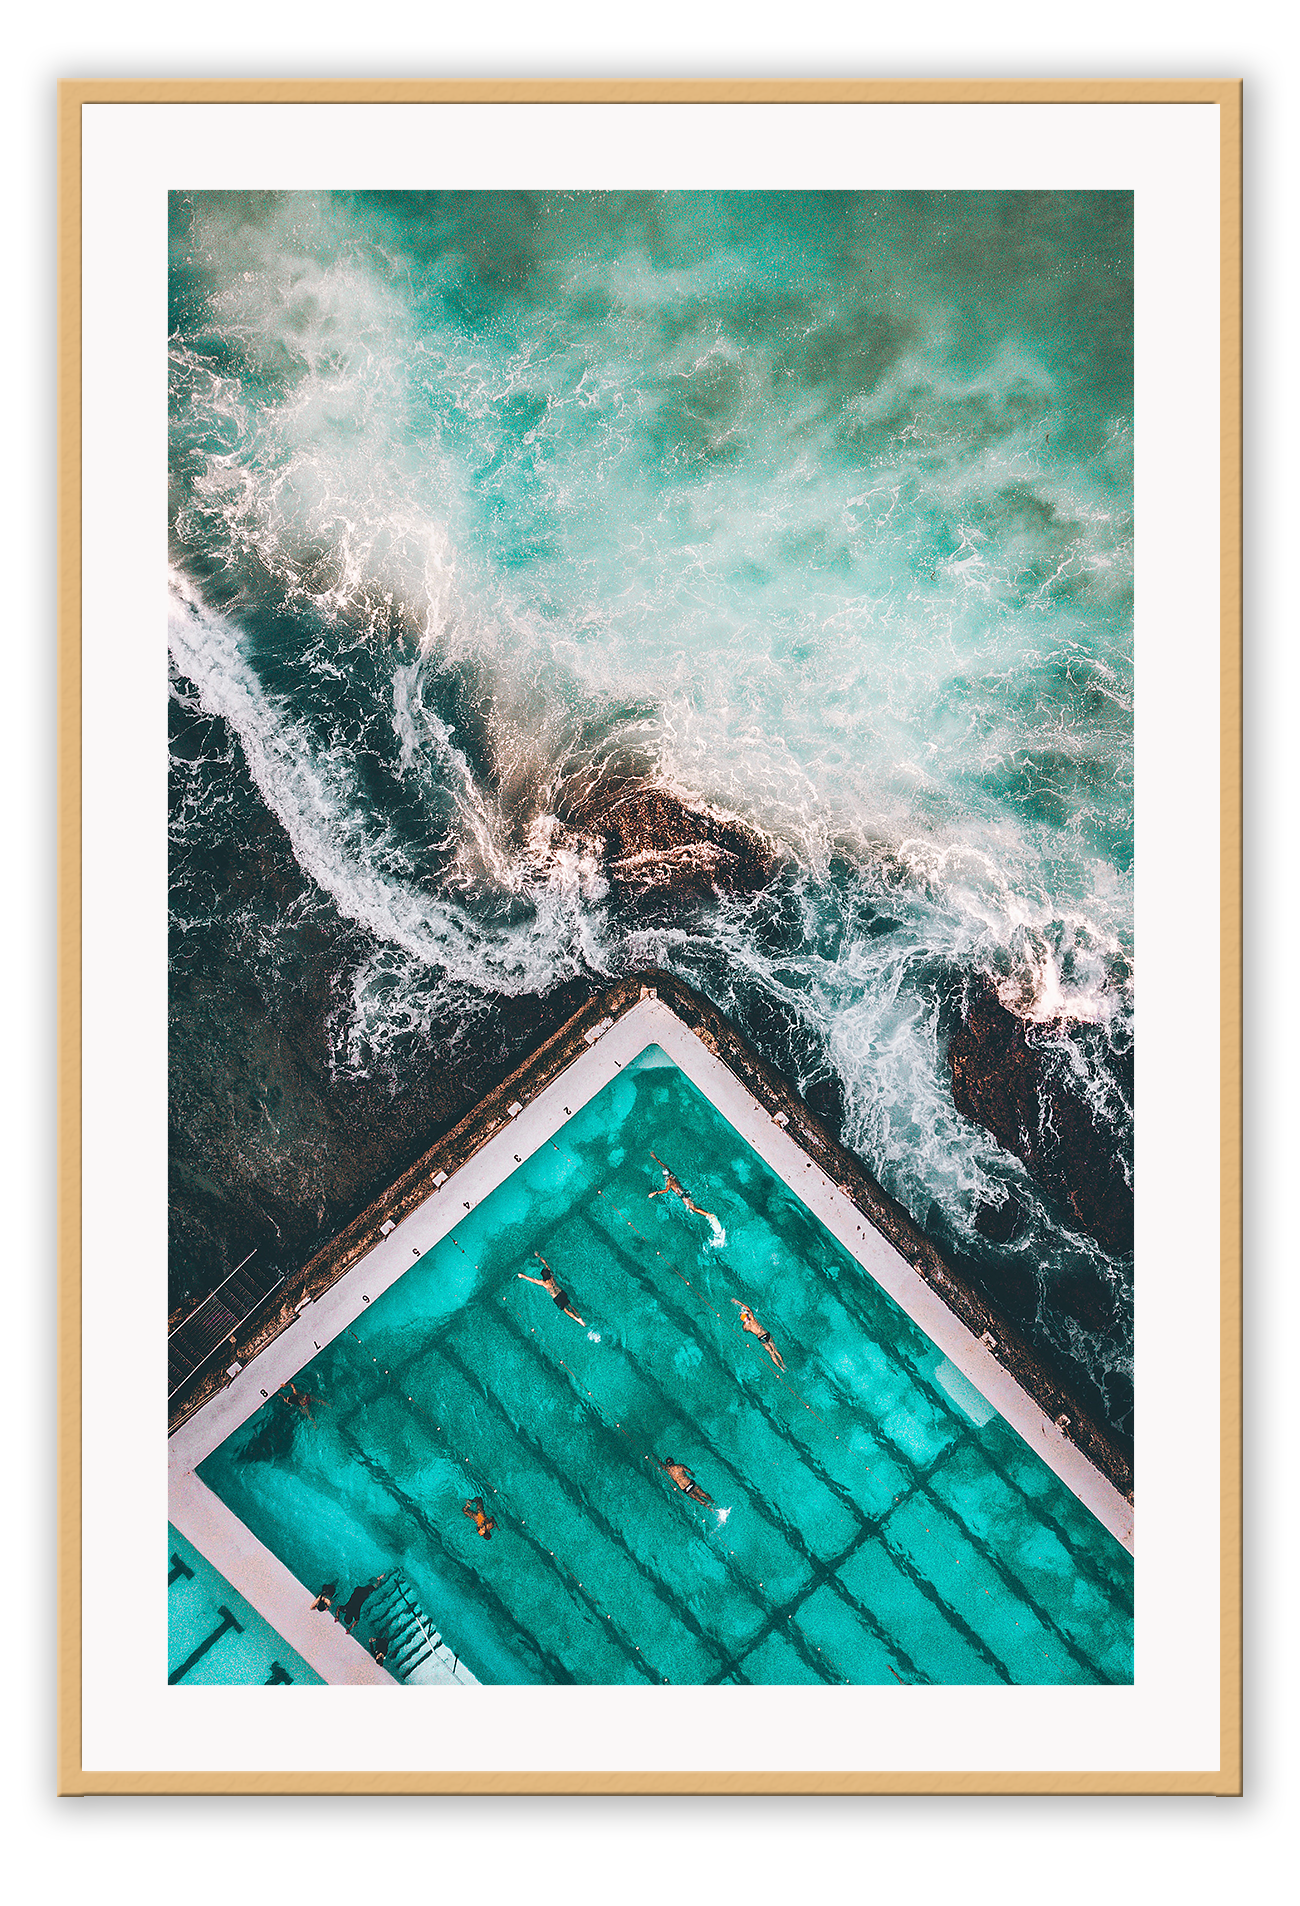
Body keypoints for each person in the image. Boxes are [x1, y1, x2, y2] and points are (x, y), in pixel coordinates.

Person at [648, 1152, 719, 1226]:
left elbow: (666, 1190)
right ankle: (705, 1212)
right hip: (685, 1191)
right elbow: (663, 1165)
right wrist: (655, 1158)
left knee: (693, 1209)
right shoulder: (672, 1174)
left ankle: (709, 1215)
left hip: (683, 1195)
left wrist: (654, 1193)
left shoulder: (669, 1181)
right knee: (692, 1205)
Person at [517, 1252, 585, 1325]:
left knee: (566, 1310)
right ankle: (580, 1317)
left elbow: (532, 1280)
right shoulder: (552, 1276)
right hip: (561, 1292)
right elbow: (546, 1264)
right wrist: (539, 1256)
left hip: (556, 1297)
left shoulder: (544, 1283)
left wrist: (522, 1276)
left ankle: (578, 1320)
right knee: (570, 1305)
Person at [732, 1299, 786, 1371]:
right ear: (747, 1316)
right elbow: (748, 1308)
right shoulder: (752, 1318)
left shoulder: (745, 1326)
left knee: (771, 1353)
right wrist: (738, 1302)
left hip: (761, 1338)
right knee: (775, 1350)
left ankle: (781, 1368)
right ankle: (783, 1364)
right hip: (765, 1333)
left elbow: (744, 1330)